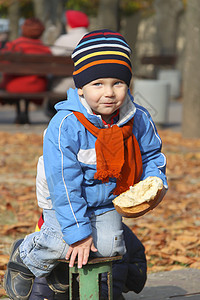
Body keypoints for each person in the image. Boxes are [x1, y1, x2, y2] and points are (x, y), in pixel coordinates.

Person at [4, 29, 167, 300]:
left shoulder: (137, 118)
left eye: (118, 83)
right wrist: (78, 233)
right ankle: (25, 255)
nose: (109, 93)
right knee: (61, 241)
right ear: (80, 87)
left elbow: (151, 155)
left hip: (106, 200)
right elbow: (65, 184)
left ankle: (98, 270)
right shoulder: (66, 125)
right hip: (61, 197)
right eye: (98, 84)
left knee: (107, 247)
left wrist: (155, 181)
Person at [0, 17, 52, 123]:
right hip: (37, 86)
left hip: (13, 86)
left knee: (17, 81)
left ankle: (20, 114)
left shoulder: (13, 45)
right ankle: (25, 115)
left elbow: (4, 65)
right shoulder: (45, 49)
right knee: (29, 82)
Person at [46, 10, 89, 117]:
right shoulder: (92, 39)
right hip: (87, 85)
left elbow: (51, 59)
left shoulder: (63, 40)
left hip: (62, 86)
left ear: (69, 24)